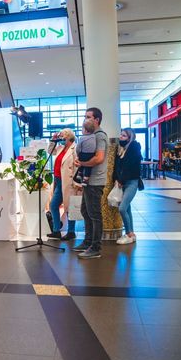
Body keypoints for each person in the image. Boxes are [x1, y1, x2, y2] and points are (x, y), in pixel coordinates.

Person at [73, 107, 108, 259]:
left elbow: (99, 158)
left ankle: (95, 247)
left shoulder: (100, 136)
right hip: (89, 181)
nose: (85, 119)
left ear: (96, 120)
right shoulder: (92, 135)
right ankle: (88, 242)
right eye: (85, 116)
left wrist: (82, 163)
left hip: (95, 181)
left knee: (94, 214)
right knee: (85, 211)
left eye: (88, 117)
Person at [46, 128, 77, 241]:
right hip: (58, 181)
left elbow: (77, 166)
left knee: (69, 207)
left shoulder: (75, 149)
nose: (60, 137)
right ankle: (56, 231)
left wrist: (76, 181)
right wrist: (53, 140)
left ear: (68, 137)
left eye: (62, 136)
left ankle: (71, 232)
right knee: (53, 205)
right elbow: (50, 151)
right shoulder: (60, 148)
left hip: (69, 182)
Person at [113, 128, 142, 245]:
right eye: (121, 135)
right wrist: (117, 179)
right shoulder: (121, 150)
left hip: (131, 182)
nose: (121, 137)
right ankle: (131, 234)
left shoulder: (134, 147)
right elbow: (117, 167)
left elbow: (130, 166)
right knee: (127, 208)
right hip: (123, 182)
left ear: (130, 138)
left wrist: (121, 179)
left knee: (122, 208)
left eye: (124, 135)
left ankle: (129, 233)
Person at [74, 120, 97, 186]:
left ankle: (79, 174)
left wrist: (78, 154)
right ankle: (85, 180)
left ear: (86, 130)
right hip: (92, 154)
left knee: (80, 163)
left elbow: (78, 148)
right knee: (88, 167)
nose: (82, 130)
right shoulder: (94, 136)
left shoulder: (82, 138)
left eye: (82, 128)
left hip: (83, 154)